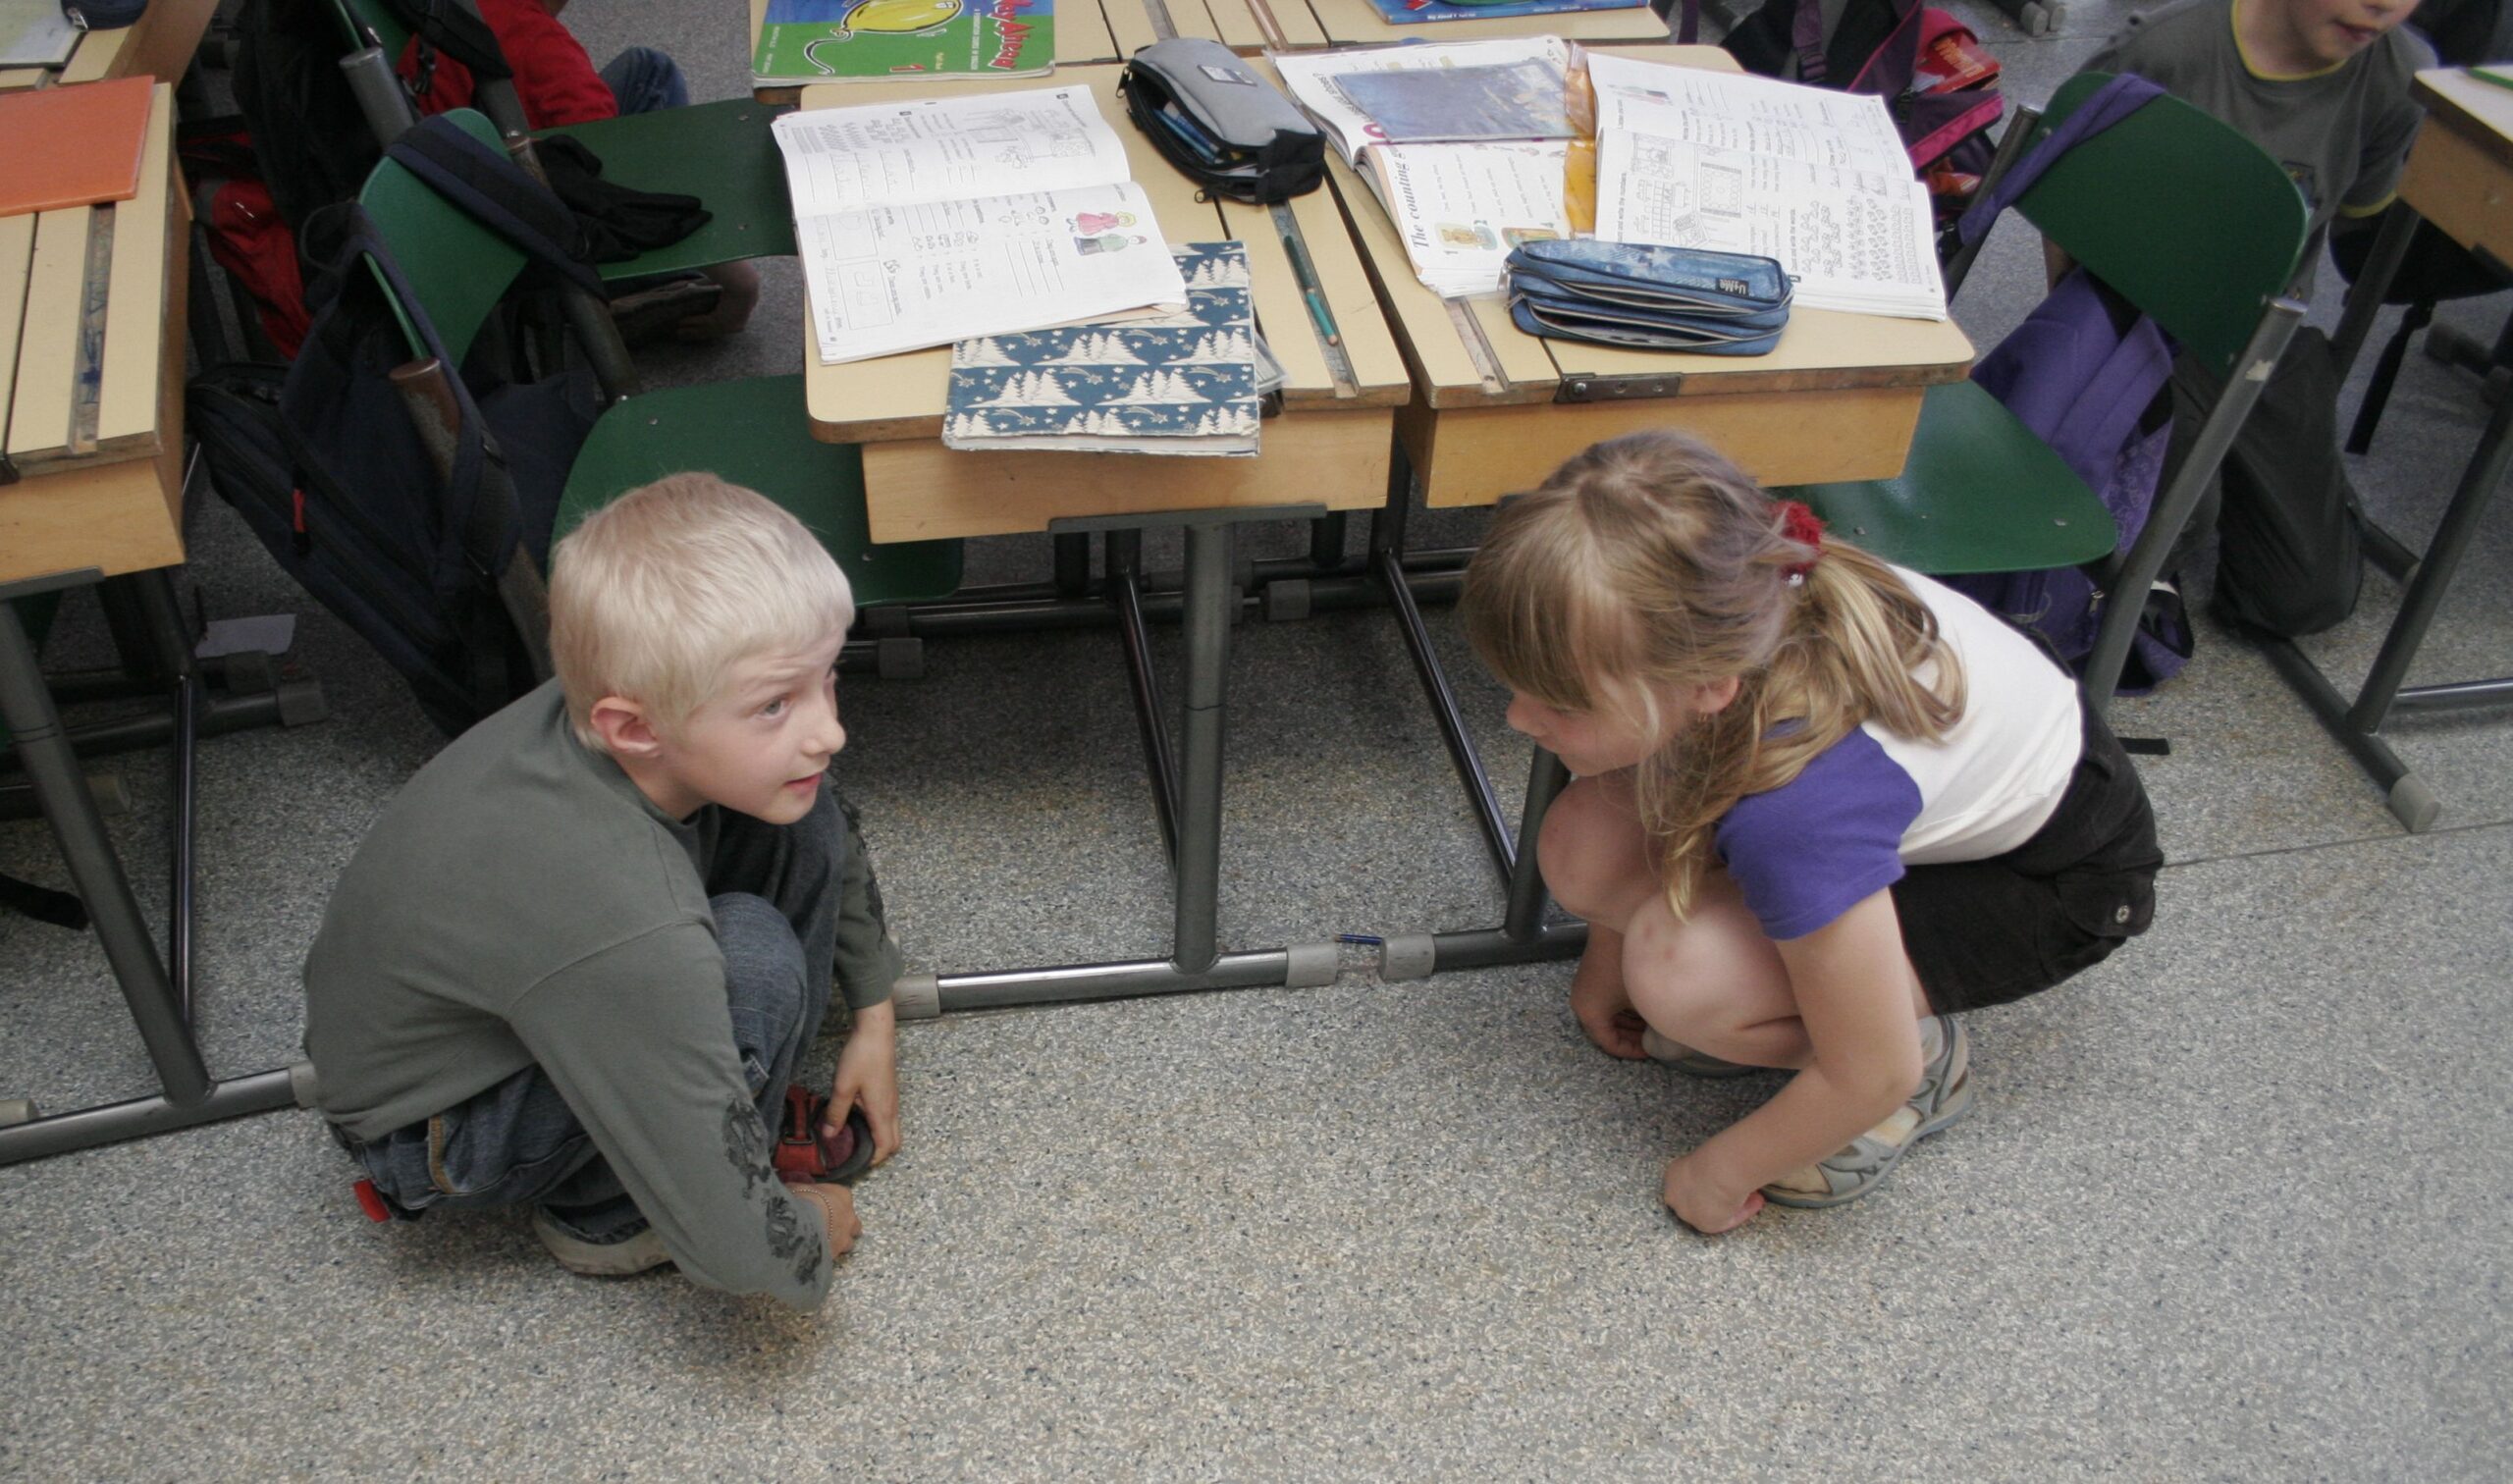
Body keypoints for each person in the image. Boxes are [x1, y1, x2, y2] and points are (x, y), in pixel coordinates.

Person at [1459, 432, 2162, 1234]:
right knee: (1584, 843)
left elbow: (1873, 1070)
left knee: (1685, 979)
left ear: (1707, 687)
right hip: (1909, 806)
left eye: (1560, 702)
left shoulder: (1796, 812)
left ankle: (1930, 1058)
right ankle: (1821, 994)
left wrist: (1717, 1175)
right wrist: (1603, 961)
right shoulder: (1724, 612)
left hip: (2049, 882)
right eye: (1516, 688)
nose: (1517, 719)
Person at [304, 474, 904, 1306]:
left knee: (795, 802)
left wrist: (874, 1015)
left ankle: (716, 1120)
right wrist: (807, 1230)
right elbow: (750, 1266)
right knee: (755, 961)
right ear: (634, 727)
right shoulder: (628, 923)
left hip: (541, 1003)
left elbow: (813, 809)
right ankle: (608, 1216)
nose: (829, 728)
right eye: (775, 704)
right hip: (442, 1131)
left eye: (827, 677)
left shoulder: (633, 703)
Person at [2079, 0, 2435, 637]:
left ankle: (2251, 481)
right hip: (2144, 312)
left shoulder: (2399, 73)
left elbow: (2357, 208)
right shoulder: (2165, 52)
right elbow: (2069, 197)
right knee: (2126, 554)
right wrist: (2085, 344)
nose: (2383, 4)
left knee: (2302, 600)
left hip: (2265, 329)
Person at [395, 0, 762, 340]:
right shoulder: (539, 44)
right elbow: (602, 178)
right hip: (541, 232)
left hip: (469, 198)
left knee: (647, 69)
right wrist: (736, 278)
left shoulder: (458, 10)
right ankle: (639, 282)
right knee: (630, 123)